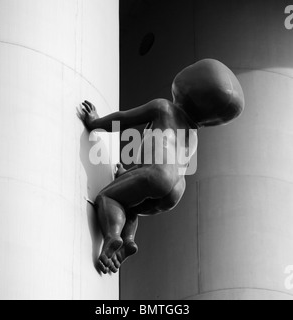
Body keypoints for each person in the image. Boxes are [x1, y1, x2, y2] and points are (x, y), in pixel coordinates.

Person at [77, 59, 245, 274]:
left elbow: (122, 119)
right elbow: (161, 160)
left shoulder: (163, 107)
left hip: (158, 174)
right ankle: (128, 241)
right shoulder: (193, 137)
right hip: (176, 189)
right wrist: (127, 175)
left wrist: (95, 122)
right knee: (131, 205)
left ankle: (113, 236)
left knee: (109, 198)